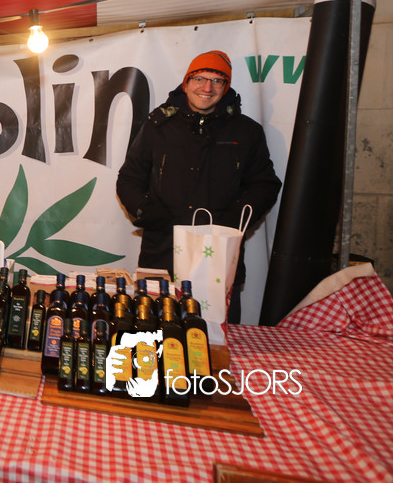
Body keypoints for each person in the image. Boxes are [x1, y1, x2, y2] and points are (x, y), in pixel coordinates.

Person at [115, 50, 282, 322]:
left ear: (226, 87)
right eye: (200, 78)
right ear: (186, 83)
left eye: (217, 80)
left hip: (219, 257)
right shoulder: (158, 126)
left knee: (215, 336)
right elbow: (129, 179)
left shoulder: (247, 131)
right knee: (154, 334)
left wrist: (229, 224)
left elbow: (265, 184)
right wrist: (148, 212)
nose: (207, 88)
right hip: (162, 254)